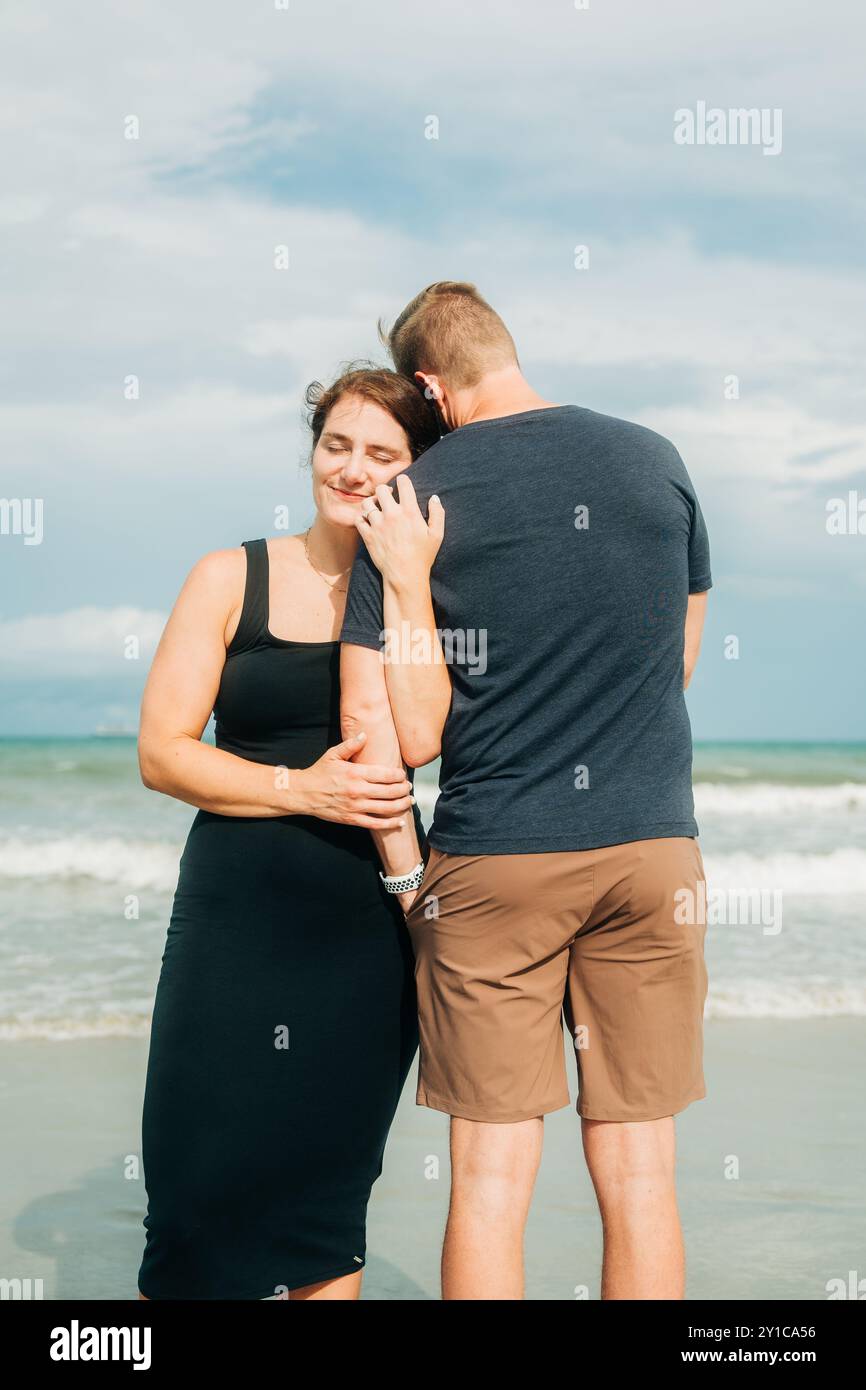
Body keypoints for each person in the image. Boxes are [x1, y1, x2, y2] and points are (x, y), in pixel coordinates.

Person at [339, 282, 712, 1301]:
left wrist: (410, 581)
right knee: (640, 1173)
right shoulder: (653, 458)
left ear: (429, 384)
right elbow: (673, 661)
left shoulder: (408, 502)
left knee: (490, 1179)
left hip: (496, 858)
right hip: (650, 852)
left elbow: (409, 736)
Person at [136, 366, 438, 1300]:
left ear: (417, 472)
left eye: (381, 454)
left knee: (324, 1207)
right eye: (335, 445)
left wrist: (413, 587)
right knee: (191, 1193)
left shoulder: (423, 596)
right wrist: (299, 789)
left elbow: (431, 740)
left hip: (366, 926)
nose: (351, 470)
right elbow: (163, 753)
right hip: (235, 919)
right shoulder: (231, 577)